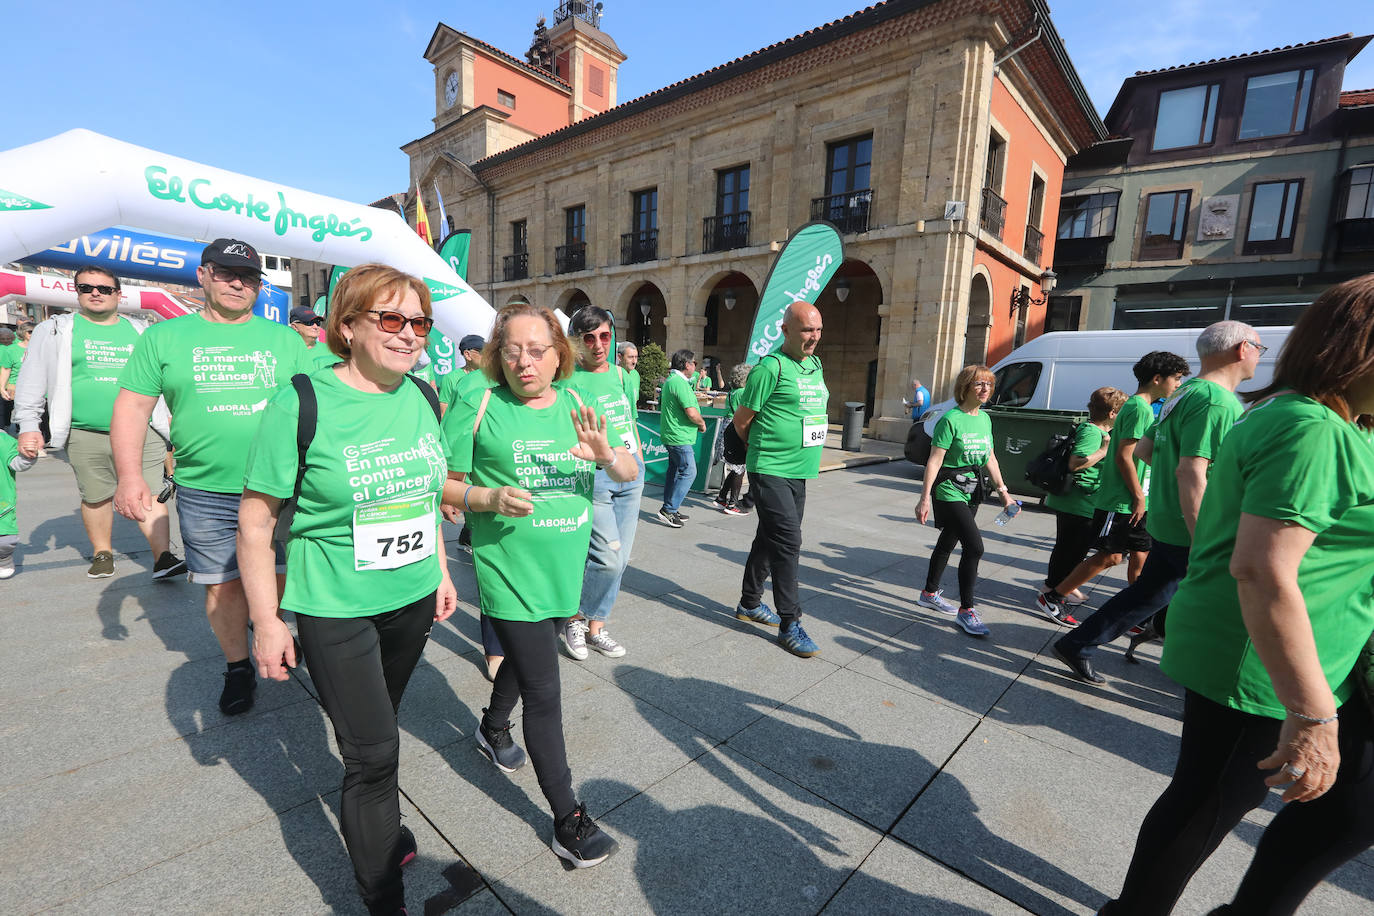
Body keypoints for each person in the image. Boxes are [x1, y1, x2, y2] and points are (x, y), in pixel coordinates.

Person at [1098, 275, 1374, 916]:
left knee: (1239, 800)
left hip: (1294, 650)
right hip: (1258, 655)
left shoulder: (1327, 421)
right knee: (1211, 799)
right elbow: (1264, 569)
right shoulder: (1311, 429)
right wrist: (1312, 716)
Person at [240, 264, 456, 916]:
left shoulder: (423, 396)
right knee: (374, 755)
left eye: (419, 321)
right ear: (349, 325)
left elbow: (424, 496)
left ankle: (377, 825)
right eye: (391, 319)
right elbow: (254, 522)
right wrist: (268, 621)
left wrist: (442, 571)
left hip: (412, 597)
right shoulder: (300, 401)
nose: (409, 333)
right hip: (335, 606)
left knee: (375, 733)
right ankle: (382, 896)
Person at [442, 302, 634, 868]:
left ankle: (491, 726)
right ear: (498, 355)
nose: (524, 362)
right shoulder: (478, 402)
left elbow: (627, 467)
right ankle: (568, 820)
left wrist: (608, 458)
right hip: (508, 570)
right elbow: (444, 485)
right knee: (546, 693)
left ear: (559, 355)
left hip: (561, 570)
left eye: (536, 350)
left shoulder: (580, 400)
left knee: (527, 670)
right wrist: (484, 497)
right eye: (512, 350)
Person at [112, 238, 310, 716]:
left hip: (278, 489)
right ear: (202, 275)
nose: (238, 283)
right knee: (222, 584)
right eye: (225, 273)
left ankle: (273, 629)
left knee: (279, 576)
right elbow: (133, 407)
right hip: (206, 489)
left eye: (248, 277)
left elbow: (313, 408)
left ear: (260, 286)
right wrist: (128, 477)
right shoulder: (164, 337)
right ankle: (238, 665)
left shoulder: (286, 340)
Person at [1053, 322, 1263, 684]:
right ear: (1242, 349)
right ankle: (1207, 680)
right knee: (1210, 603)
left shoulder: (1184, 393)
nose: (1260, 357)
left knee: (1149, 595)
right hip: (1194, 526)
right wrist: (1205, 539)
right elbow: (1191, 471)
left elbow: (1149, 451)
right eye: (1260, 349)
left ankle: (1079, 643)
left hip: (1166, 517)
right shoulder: (1217, 401)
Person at [13, 266, 185, 580]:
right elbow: (31, 380)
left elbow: (165, 377)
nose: (95, 293)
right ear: (76, 292)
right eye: (86, 287)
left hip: (142, 430)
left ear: (119, 295)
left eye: (104, 289)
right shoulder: (53, 330)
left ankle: (163, 557)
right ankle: (102, 553)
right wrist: (28, 425)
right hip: (85, 430)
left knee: (149, 489)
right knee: (96, 495)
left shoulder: (141, 330)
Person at [1037, 352, 1190, 620]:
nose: (1178, 384)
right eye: (1176, 379)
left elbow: (1142, 453)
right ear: (1157, 379)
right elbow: (1123, 455)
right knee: (1110, 557)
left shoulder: (1140, 407)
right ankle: (1052, 596)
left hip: (1136, 498)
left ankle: (1137, 616)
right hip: (1122, 499)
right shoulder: (1138, 408)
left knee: (1140, 557)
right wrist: (1138, 496)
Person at [732, 301, 829, 657]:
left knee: (770, 537)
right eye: (806, 330)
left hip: (799, 470)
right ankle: (791, 622)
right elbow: (742, 421)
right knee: (789, 541)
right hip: (770, 467)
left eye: (818, 330)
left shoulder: (814, 365)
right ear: (786, 330)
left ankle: (750, 602)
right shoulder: (769, 369)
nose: (813, 337)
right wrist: (761, 450)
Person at [560, 306, 644, 661]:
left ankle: (597, 627)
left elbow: (630, 418)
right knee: (607, 558)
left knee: (621, 559)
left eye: (605, 337)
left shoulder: (622, 375)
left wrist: (637, 458)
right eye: (589, 338)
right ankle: (575, 619)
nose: (598, 345)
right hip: (594, 478)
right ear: (576, 341)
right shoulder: (567, 380)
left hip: (630, 474)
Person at [915, 365, 1018, 638]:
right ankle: (967, 611)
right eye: (979, 384)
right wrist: (924, 498)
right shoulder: (951, 419)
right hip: (949, 489)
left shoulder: (984, 419)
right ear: (965, 387)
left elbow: (990, 457)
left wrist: (1003, 492)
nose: (985, 389)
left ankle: (929, 593)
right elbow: (935, 460)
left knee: (949, 539)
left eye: (989, 384)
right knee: (975, 547)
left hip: (973, 489)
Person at [1036, 387, 1126, 626]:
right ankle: (1051, 592)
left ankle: (1058, 587)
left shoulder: (1099, 430)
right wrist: (1105, 450)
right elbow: (1076, 463)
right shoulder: (1092, 432)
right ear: (1113, 412)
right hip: (1079, 502)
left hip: (1082, 501)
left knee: (1071, 548)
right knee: (1072, 550)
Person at [657, 348, 706, 527]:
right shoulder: (678, 382)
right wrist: (701, 424)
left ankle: (670, 507)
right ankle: (669, 509)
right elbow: (691, 412)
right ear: (687, 364)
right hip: (679, 436)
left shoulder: (674, 380)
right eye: (694, 363)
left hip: (674, 434)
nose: (695, 366)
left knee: (675, 472)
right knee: (689, 471)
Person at [715, 362, 752, 515]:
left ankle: (722, 496)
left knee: (736, 467)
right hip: (737, 427)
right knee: (739, 467)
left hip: (728, 424)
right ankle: (732, 503)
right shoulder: (743, 392)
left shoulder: (732, 391)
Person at [1, 429, 37, 579]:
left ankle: (3, 558)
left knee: (5, 541)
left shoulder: (2, 440)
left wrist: (27, 455)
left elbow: (17, 463)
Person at [616, 341, 641, 417]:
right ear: (620, 357)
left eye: (636, 357)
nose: (634, 361)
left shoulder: (635, 374)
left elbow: (634, 405)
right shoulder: (613, 375)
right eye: (630, 357)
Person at [0, 327, 17, 431]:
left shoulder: (16, 348)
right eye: (3, 338)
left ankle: (6, 424)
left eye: (8, 338)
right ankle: (3, 426)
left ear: (12, 338)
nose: (5, 340)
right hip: (4, 381)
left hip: (12, 382)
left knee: (10, 405)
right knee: (3, 406)